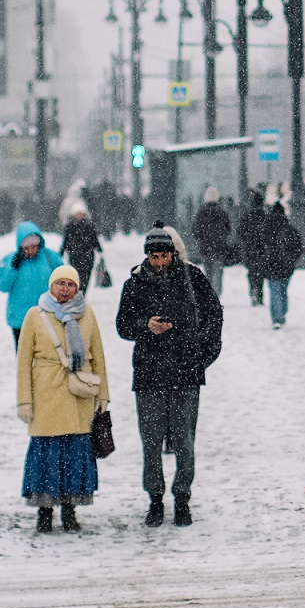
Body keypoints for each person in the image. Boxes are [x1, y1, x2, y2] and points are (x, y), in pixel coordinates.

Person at [115, 221, 224, 526]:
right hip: (149, 374)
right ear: (147, 256)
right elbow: (122, 326)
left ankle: (182, 498)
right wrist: (145, 325)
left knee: (184, 441)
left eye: (164, 256)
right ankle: (155, 498)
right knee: (150, 442)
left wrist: (202, 353)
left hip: (185, 372)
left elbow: (214, 315)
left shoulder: (192, 278)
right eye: (154, 257)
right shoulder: (134, 284)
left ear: (173, 254)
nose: (160, 262)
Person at [15, 264, 108, 532]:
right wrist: (24, 400)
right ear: (51, 286)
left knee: (74, 452)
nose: (65, 289)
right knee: (46, 453)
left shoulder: (87, 313)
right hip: (46, 393)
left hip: (79, 395)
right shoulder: (35, 315)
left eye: (71, 285)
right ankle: (44, 511)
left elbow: (98, 355)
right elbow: (23, 362)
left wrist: (104, 395)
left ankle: (70, 510)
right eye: (60, 284)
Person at [0, 221, 62, 347]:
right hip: (20, 320)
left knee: (46, 358)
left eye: (34, 246)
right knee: (24, 359)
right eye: (26, 248)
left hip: (48, 317)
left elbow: (64, 280)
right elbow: (1, 285)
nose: (30, 251)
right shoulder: (10, 260)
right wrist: (12, 268)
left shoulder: (51, 258)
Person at [261, 189, 304, 329]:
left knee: (274, 291)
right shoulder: (289, 229)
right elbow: (298, 246)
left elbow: (260, 246)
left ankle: (277, 318)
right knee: (283, 290)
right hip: (286, 265)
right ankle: (282, 313)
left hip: (271, 264)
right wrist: (292, 259)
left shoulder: (267, 228)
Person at [192, 187, 232, 295]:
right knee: (218, 272)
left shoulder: (201, 212)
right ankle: (217, 293)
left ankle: (209, 294)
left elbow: (196, 229)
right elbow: (228, 229)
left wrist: (203, 239)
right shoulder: (222, 211)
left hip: (205, 247)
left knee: (208, 272)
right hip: (219, 248)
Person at [60, 205, 103, 289]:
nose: (79, 216)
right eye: (78, 214)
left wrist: (99, 249)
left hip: (87, 257)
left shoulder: (89, 226)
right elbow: (66, 241)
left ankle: (82, 294)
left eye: (81, 214)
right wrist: (61, 252)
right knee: (75, 277)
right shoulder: (70, 227)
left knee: (85, 277)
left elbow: (94, 240)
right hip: (74, 256)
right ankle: (76, 293)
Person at [240, 192, 267, 306]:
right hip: (262, 248)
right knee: (260, 272)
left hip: (250, 248)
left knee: (252, 271)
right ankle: (259, 293)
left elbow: (240, 232)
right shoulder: (265, 215)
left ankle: (253, 290)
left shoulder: (248, 215)